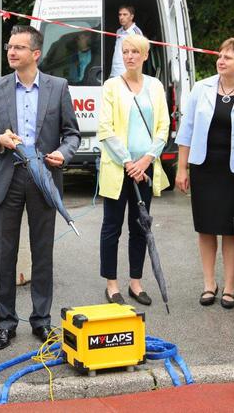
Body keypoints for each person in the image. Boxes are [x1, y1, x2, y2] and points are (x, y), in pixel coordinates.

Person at [0, 25, 80, 350]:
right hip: (8, 177)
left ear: (35, 54)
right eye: (9, 47)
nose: (11, 52)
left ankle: (41, 321)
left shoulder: (58, 87)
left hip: (43, 177)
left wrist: (63, 153)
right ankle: (5, 323)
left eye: (18, 47)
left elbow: (72, 133)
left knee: (42, 253)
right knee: (4, 255)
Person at [175, 37, 234, 309]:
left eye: (227, 57)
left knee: (230, 230)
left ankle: (228, 287)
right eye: (220, 56)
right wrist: (182, 168)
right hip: (204, 167)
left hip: (233, 170)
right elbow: (186, 130)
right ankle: (208, 284)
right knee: (205, 228)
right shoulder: (200, 88)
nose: (220, 60)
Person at [97, 34, 170, 306]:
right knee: (111, 227)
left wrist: (147, 159)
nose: (129, 56)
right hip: (120, 168)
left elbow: (163, 126)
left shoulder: (155, 86)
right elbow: (105, 128)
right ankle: (112, 284)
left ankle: (136, 283)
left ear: (145, 56)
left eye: (134, 52)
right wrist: (129, 162)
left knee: (140, 227)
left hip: (146, 169)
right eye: (125, 52)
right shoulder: (111, 86)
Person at [110, 5, 143, 78]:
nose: (121, 17)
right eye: (120, 14)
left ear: (131, 17)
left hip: (127, 74)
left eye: (125, 14)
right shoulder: (119, 31)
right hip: (114, 72)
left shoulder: (136, 33)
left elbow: (138, 55)